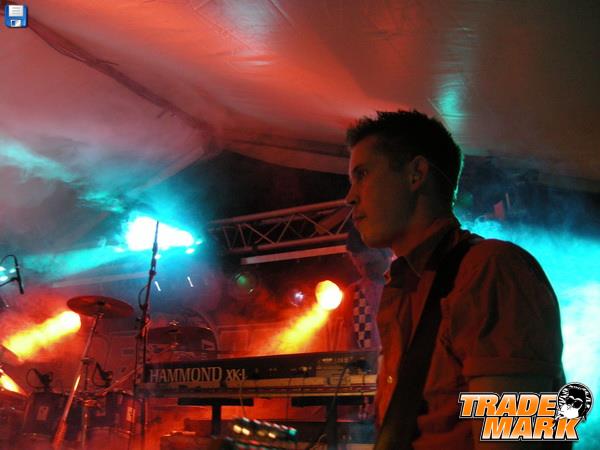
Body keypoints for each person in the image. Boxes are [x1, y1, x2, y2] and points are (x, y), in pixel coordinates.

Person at [344, 110, 567, 449]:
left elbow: (516, 441)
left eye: (362, 174)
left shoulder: (491, 269)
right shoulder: (404, 286)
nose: (350, 196)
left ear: (416, 174)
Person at [337, 226, 391, 351]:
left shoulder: (402, 283)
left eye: (369, 264)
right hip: (370, 361)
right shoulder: (353, 292)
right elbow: (351, 341)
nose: (356, 262)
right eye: (360, 266)